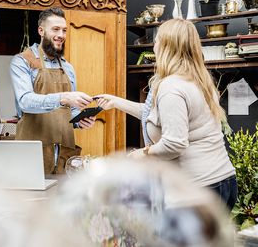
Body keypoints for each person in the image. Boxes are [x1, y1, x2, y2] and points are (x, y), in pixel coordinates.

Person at [96, 19, 237, 210]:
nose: (154, 45)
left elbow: (174, 143)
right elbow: (160, 118)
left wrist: (141, 154)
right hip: (224, 181)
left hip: (197, 189)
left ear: (166, 47)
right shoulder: (199, 80)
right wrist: (116, 102)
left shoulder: (171, 87)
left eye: (157, 41)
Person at [10, 7, 96, 174]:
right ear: (41, 31)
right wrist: (63, 97)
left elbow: (70, 110)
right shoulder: (22, 62)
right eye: (55, 29)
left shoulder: (68, 68)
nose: (61, 35)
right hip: (31, 156)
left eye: (64, 30)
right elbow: (25, 102)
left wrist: (79, 120)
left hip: (64, 157)